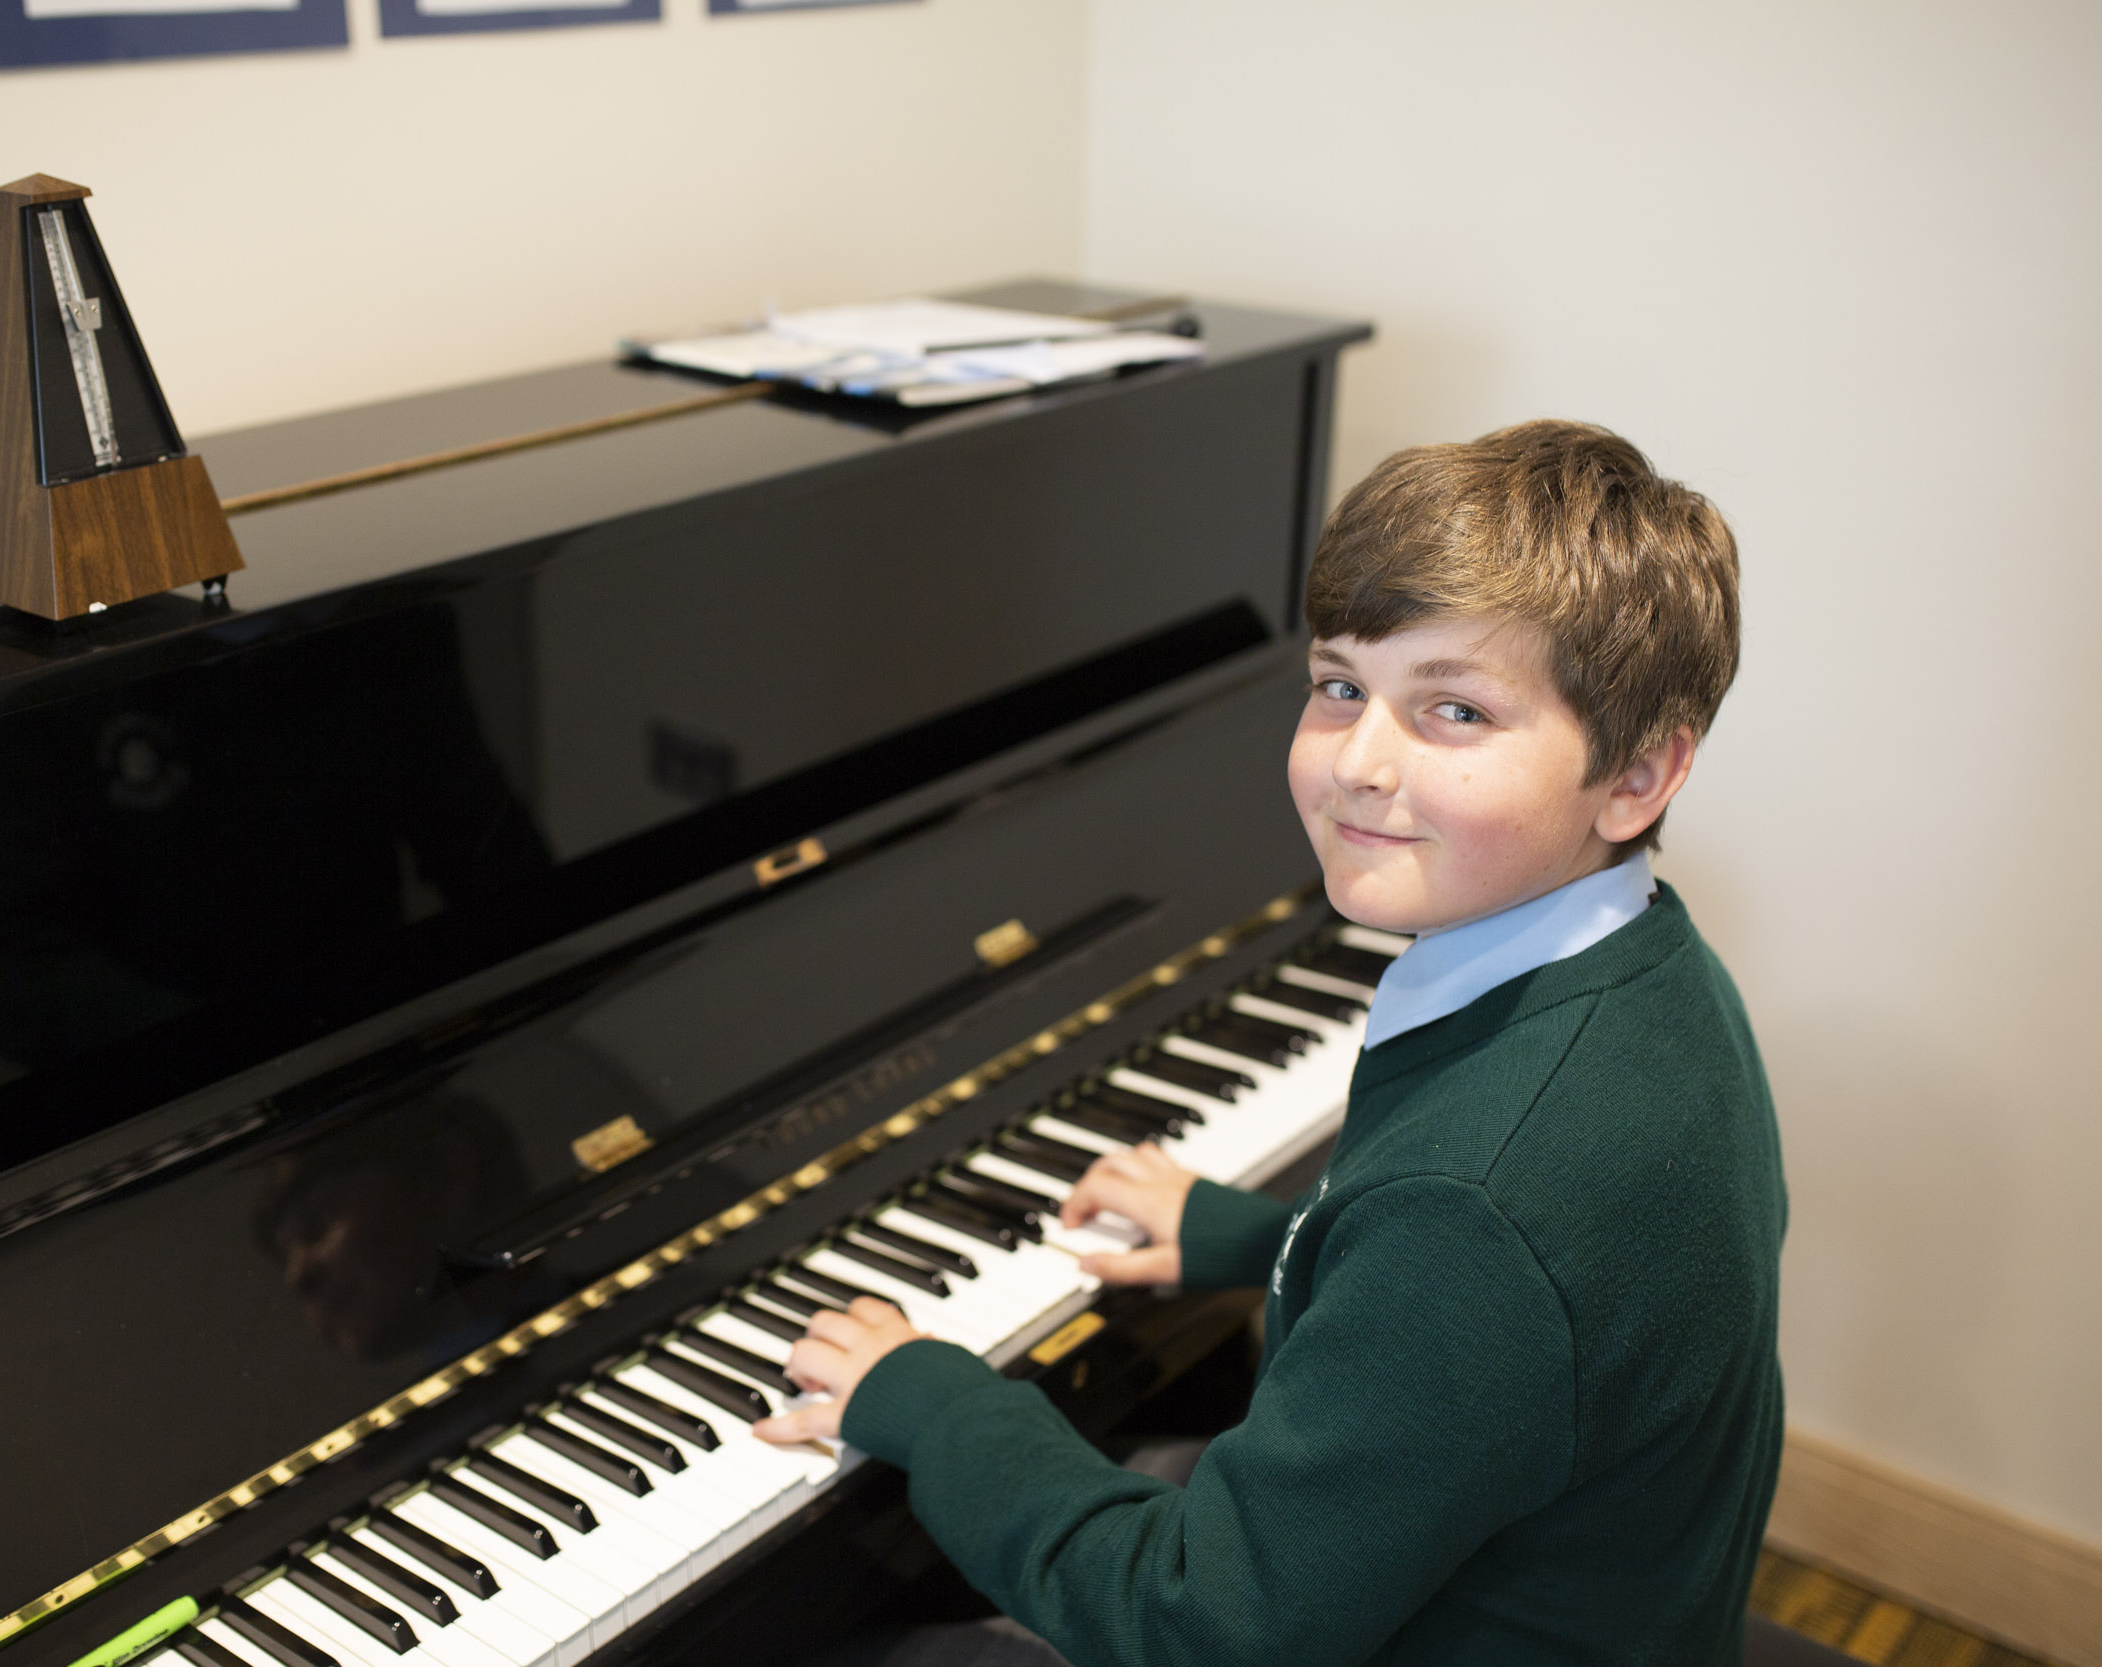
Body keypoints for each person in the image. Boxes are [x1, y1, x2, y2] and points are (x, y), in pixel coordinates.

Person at [753, 420, 1785, 1664]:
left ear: (1636, 775)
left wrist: (934, 1399)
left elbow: (1199, 1625)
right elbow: (1508, 1299)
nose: (1357, 762)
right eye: (1340, 685)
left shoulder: (1469, 1204)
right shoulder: (1659, 975)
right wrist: (1264, 1234)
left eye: (1452, 709)